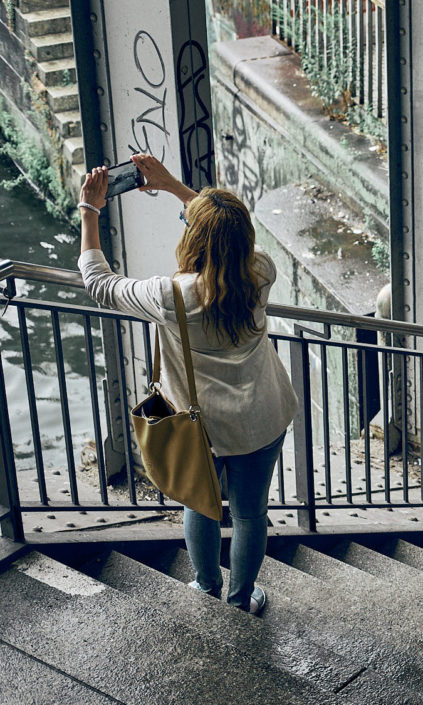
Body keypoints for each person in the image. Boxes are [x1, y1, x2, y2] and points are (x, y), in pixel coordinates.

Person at [77, 154, 298, 615]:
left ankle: (205, 585)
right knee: (251, 514)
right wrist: (175, 186)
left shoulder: (171, 295)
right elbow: (225, 233)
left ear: (192, 236)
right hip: (264, 416)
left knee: (199, 503)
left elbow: (99, 282)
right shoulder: (261, 271)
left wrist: (90, 211)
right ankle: (240, 600)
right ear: (245, 236)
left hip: (203, 429)